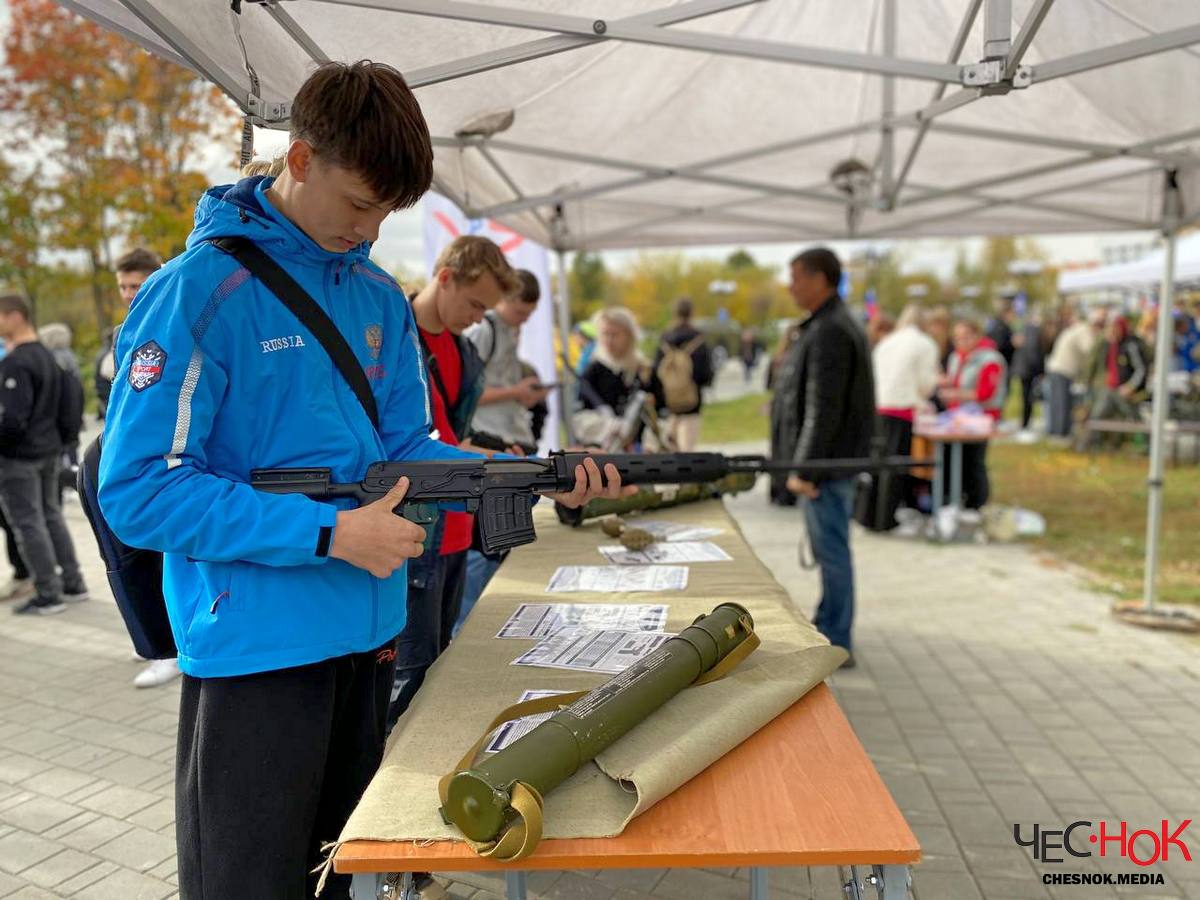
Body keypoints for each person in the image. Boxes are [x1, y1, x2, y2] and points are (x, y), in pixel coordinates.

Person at [96, 61, 624, 900]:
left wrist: (532, 478)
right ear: (300, 160)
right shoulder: (196, 295)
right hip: (256, 653)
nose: (371, 230)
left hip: (368, 637)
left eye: (387, 213)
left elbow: (409, 448)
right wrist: (329, 533)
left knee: (350, 879)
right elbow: (138, 490)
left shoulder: (376, 296)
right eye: (359, 205)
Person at [389, 235, 520, 730]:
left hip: (457, 532)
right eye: (474, 303)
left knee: (442, 666)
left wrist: (496, 452)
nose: (478, 317)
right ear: (445, 278)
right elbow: (425, 445)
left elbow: (457, 432)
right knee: (412, 682)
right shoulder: (395, 340)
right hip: (417, 531)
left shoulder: (464, 351)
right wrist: (512, 464)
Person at [770, 248, 874, 667]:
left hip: (826, 468)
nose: (791, 285)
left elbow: (823, 407)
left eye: (796, 277)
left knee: (831, 552)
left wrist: (804, 468)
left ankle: (836, 637)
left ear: (819, 279)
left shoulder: (830, 328)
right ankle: (832, 625)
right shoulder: (829, 323)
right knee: (832, 550)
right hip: (831, 464)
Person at [0, 295, 88, 616]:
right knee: (51, 516)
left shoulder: (17, 362)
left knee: (28, 523)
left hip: (20, 457)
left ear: (14, 317)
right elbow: (69, 406)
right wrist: (64, 442)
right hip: (49, 450)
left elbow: (11, 419)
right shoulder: (49, 357)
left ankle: (48, 593)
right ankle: (74, 582)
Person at [862, 304, 939, 530]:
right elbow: (925, 382)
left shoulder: (887, 343)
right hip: (902, 407)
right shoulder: (924, 344)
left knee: (877, 465)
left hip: (879, 406)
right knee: (895, 468)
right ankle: (886, 518)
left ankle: (871, 516)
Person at [465, 268, 546, 450]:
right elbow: (466, 394)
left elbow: (503, 381)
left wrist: (526, 394)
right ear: (501, 299)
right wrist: (516, 392)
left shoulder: (512, 329)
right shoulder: (482, 330)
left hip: (513, 432)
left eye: (530, 314)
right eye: (519, 312)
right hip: (487, 434)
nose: (525, 319)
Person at [937, 318, 1007, 510]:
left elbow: (986, 393)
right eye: (958, 338)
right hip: (956, 417)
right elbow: (955, 382)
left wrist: (956, 393)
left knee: (973, 460)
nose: (962, 342)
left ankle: (976, 502)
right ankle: (953, 497)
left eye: (966, 337)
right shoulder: (955, 357)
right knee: (952, 458)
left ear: (977, 336)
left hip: (980, 418)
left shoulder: (990, 359)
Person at [95, 248, 162, 419]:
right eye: (122, 287)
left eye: (134, 286)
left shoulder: (174, 326)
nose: (127, 294)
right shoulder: (120, 334)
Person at [577, 306, 653, 448]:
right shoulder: (594, 367)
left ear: (629, 335)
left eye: (615, 334)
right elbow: (581, 404)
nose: (609, 340)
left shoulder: (643, 368)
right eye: (605, 334)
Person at [653, 297, 713, 451]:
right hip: (691, 397)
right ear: (691, 313)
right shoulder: (698, 339)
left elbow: (656, 367)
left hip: (669, 396)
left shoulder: (665, 338)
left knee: (671, 437)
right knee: (688, 441)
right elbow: (705, 371)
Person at [36, 323, 85, 502]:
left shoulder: (53, 359)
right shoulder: (70, 357)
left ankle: (69, 482)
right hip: (73, 412)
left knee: (61, 456)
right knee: (71, 451)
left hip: (59, 416)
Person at [1082, 314, 1148, 445]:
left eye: (1115, 328)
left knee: (1134, 417)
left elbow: (1141, 369)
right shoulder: (1109, 345)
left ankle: (1146, 445)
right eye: (1110, 328)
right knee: (1097, 415)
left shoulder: (1130, 345)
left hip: (1127, 390)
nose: (1112, 331)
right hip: (1110, 388)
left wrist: (1131, 386)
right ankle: (1092, 445)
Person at [1045, 306, 1105, 438]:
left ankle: (1055, 430)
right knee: (1062, 403)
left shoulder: (1078, 328)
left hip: (1056, 367)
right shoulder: (1085, 331)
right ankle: (1061, 432)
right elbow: (1090, 351)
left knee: (1056, 402)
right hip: (1064, 369)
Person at [1011, 312, 1049, 440]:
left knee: (1026, 397)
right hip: (1028, 370)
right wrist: (1040, 370)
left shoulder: (1024, 329)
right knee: (1028, 398)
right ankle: (1025, 424)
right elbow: (1033, 352)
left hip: (1024, 369)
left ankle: (1025, 423)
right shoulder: (1034, 330)